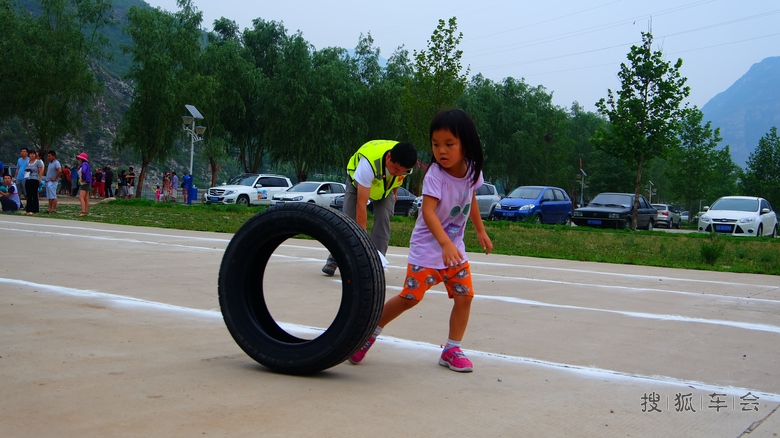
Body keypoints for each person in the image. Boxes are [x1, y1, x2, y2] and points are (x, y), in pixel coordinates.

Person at [348, 108, 493, 373]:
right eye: (436, 144)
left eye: (449, 144)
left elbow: (470, 198)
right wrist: (444, 243)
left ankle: (451, 349)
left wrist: (480, 230)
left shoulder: (473, 170)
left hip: (454, 251)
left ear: (467, 144)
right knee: (410, 297)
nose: (441, 151)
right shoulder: (436, 175)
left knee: (465, 296)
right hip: (427, 249)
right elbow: (427, 212)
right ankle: (368, 334)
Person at [321, 140, 418, 276]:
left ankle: (375, 264)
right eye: (396, 169)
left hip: (384, 189)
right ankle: (333, 261)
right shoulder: (368, 164)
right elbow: (361, 204)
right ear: (389, 157)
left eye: (403, 171)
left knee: (384, 219)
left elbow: (398, 178)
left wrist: (395, 193)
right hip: (357, 185)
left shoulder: (405, 164)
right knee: (348, 223)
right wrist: (362, 236)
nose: (398, 172)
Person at [24, 150, 44, 215]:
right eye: (31, 154)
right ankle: (28, 209)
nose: (32, 155)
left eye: (33, 154)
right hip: (28, 179)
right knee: (29, 195)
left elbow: (40, 171)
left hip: (34, 179)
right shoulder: (28, 162)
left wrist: (40, 178)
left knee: (34, 194)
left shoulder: (38, 162)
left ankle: (35, 209)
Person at [75, 152, 92, 216]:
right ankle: (85, 211)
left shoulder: (84, 164)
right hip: (87, 183)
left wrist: (82, 178)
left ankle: (83, 211)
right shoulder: (87, 164)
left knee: (81, 197)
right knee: (86, 198)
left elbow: (83, 171)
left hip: (84, 183)